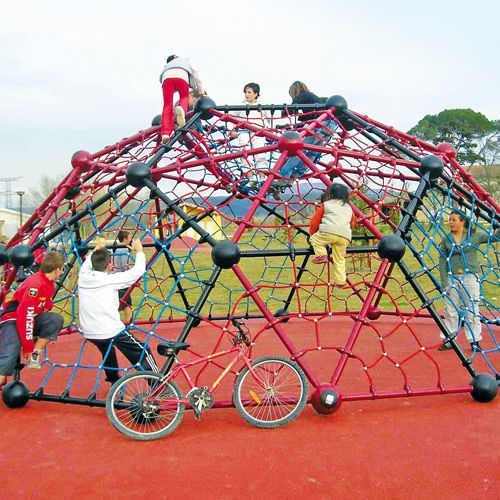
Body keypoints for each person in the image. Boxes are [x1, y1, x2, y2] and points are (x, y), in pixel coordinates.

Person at [78, 237, 157, 383]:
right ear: (109, 265)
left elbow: (89, 262)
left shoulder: (83, 276)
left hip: (89, 331)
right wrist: (139, 251)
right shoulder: (111, 280)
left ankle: (113, 378)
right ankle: (157, 384)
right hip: (110, 331)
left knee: (107, 348)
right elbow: (137, 271)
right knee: (142, 350)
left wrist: (99, 247)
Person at [0, 252, 65, 388]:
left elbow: (44, 306)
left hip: (29, 319)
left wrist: (47, 332)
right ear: (57, 269)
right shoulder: (35, 284)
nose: (62, 272)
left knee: (55, 320)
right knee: (8, 357)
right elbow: (25, 316)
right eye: (62, 268)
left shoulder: (49, 284)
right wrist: (28, 347)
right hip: (12, 319)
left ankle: (34, 356)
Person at [437, 211, 500, 352]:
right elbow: (442, 262)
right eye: (450, 220)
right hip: (452, 277)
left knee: (471, 309)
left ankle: (474, 340)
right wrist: (444, 283)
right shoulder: (447, 239)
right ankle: (449, 339)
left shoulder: (474, 236)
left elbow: (495, 237)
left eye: (454, 220)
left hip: (470, 277)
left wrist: (497, 223)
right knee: (450, 310)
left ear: (462, 221)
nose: (451, 222)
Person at [276, 81, 337, 190]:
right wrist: (287, 126)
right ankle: (292, 178)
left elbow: (290, 109)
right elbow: (304, 123)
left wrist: (283, 112)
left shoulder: (302, 96)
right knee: (311, 155)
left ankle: (283, 179)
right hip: (329, 127)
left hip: (319, 126)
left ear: (295, 91)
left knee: (297, 152)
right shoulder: (314, 99)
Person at [309, 184, 352, 286]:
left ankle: (321, 255)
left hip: (329, 232)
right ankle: (341, 281)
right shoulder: (349, 207)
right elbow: (352, 222)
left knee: (315, 240)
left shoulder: (326, 205)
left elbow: (315, 222)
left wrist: (313, 234)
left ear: (330, 194)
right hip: (345, 236)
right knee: (340, 259)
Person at [229, 83, 269, 189]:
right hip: (243, 132)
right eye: (245, 92)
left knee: (260, 153)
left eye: (249, 92)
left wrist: (269, 131)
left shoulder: (262, 105)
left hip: (258, 131)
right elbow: (231, 117)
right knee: (245, 154)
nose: (246, 95)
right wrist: (232, 129)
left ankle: (262, 178)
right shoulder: (241, 105)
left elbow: (269, 118)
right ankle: (251, 179)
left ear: (256, 94)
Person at [159, 54, 205, 144]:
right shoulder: (186, 60)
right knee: (184, 97)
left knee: (167, 105)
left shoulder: (167, 65)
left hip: (166, 79)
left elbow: (162, 78)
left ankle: (165, 134)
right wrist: (201, 91)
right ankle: (182, 113)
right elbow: (196, 72)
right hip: (182, 77)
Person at [113, 230, 134, 325]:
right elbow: (125, 266)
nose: (131, 239)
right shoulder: (125, 249)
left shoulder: (116, 248)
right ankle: (129, 323)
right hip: (122, 279)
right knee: (126, 303)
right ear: (125, 239)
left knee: (120, 301)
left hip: (116, 277)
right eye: (129, 238)